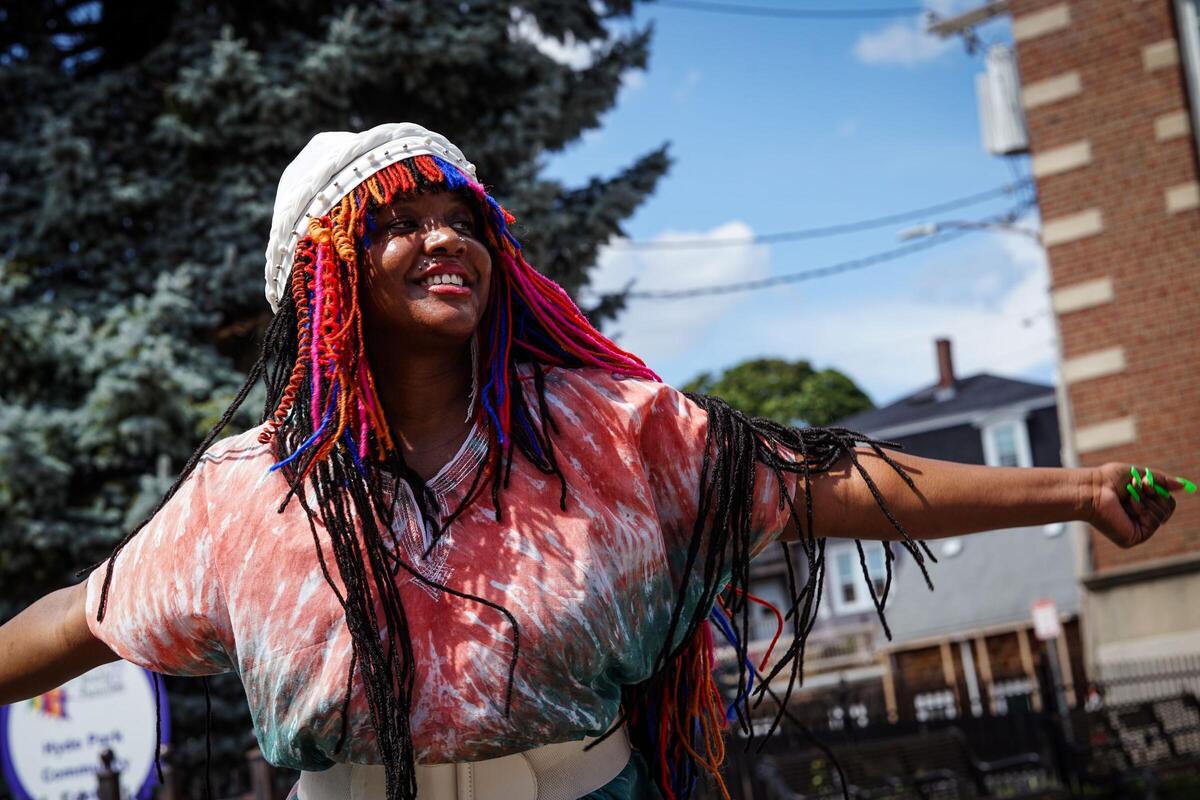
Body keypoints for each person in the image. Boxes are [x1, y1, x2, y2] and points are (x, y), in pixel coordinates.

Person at [0, 123, 1187, 800]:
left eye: (463, 216)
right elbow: (77, 616)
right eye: (402, 222)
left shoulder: (608, 430)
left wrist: (1077, 491)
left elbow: (830, 480)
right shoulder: (245, 492)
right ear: (328, 278)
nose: (445, 237)